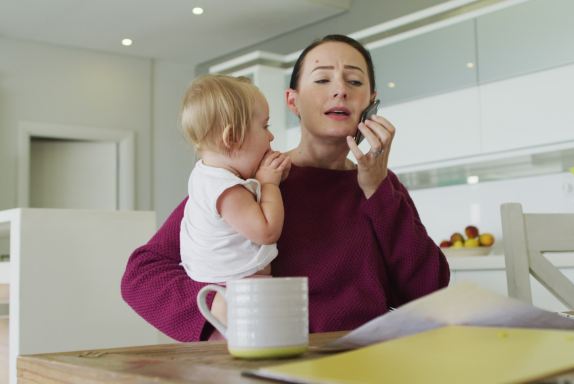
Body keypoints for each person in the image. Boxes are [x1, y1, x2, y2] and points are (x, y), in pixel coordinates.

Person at [121, 34, 450, 342]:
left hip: (365, 364)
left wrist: (377, 188)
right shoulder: (257, 179)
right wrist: (223, 311)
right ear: (293, 101)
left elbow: (428, 290)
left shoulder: (382, 186)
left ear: (371, 102)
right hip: (275, 363)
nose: (340, 91)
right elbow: (142, 276)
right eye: (322, 79)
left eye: (354, 81)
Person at [178, 75, 289, 286]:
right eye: (265, 126)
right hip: (238, 288)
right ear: (232, 138)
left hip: (229, 285)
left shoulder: (205, 176)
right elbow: (267, 231)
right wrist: (269, 184)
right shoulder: (226, 190)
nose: (271, 137)